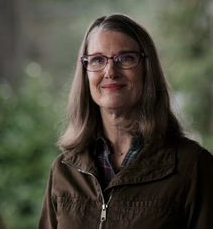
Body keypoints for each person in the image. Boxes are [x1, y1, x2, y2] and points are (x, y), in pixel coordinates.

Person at [38, 14, 213, 229]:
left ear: (147, 70)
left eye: (125, 58)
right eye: (97, 60)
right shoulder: (64, 171)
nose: (110, 71)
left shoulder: (192, 166)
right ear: (85, 73)